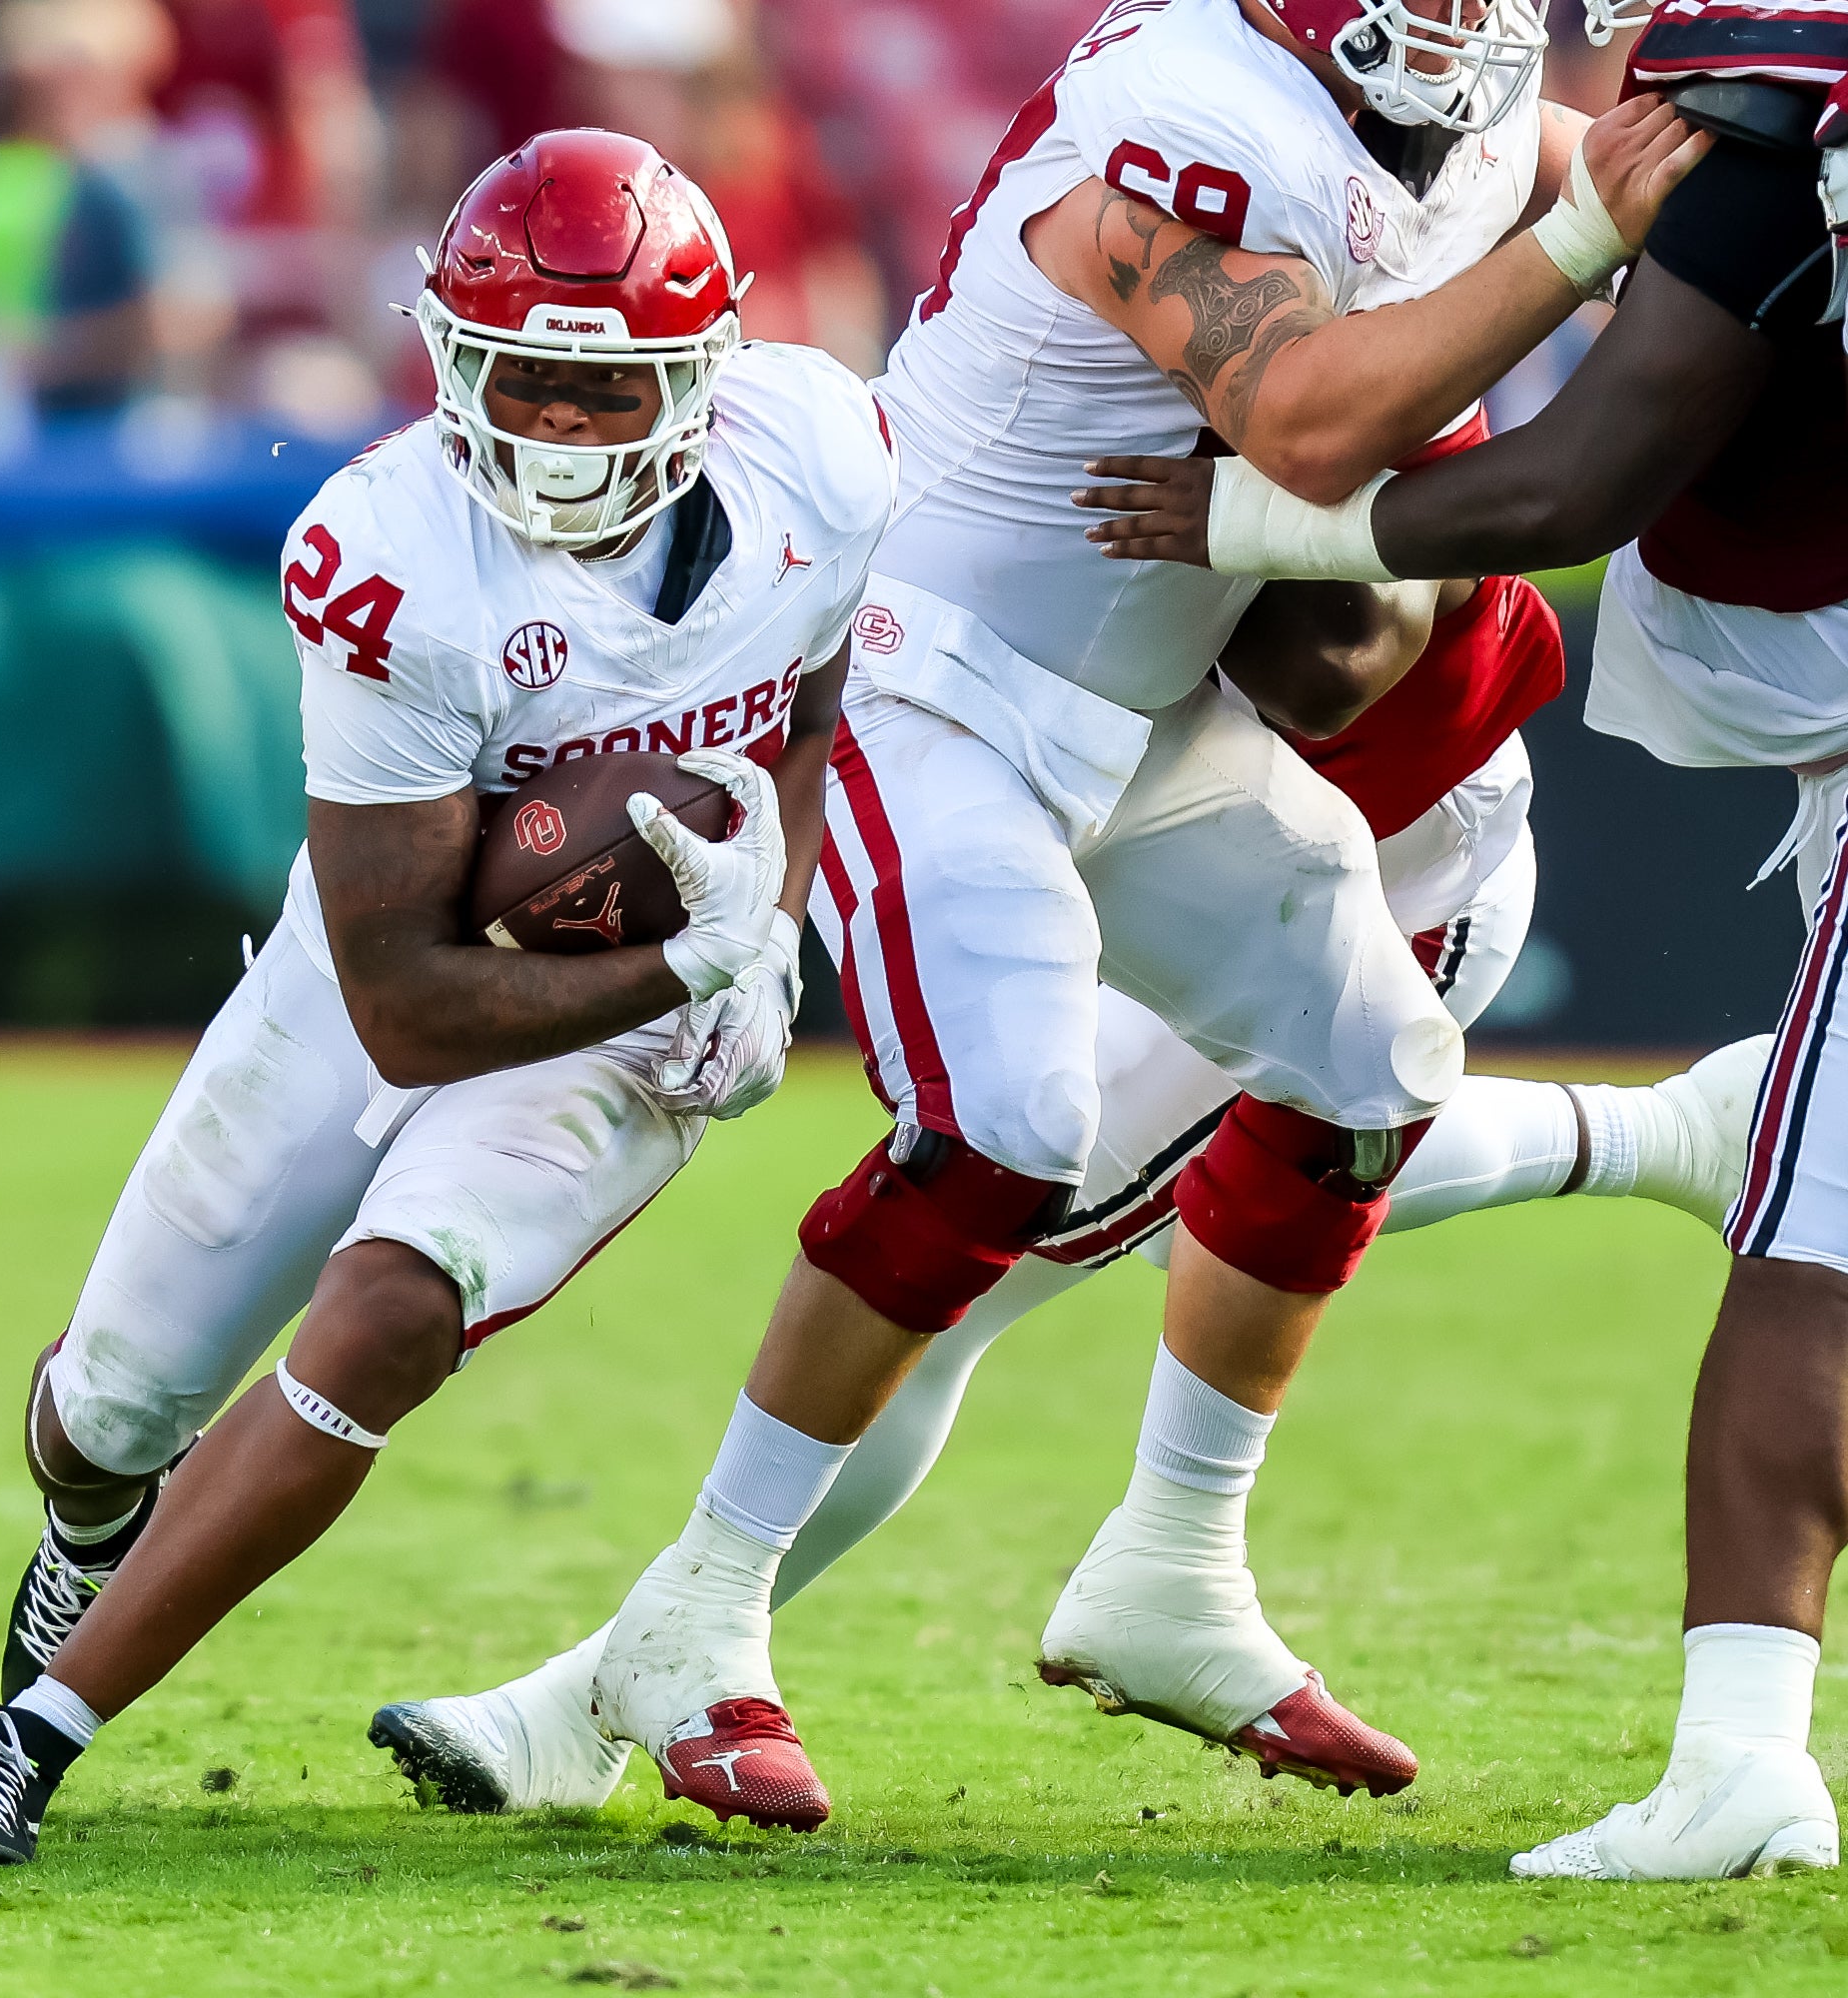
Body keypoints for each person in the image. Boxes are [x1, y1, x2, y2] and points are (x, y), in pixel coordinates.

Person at [514, 0, 1717, 1827]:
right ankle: (700, 1612)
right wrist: (1586, 239)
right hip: (930, 683)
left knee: (1371, 1062)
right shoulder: (1196, 110)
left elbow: (1629, 186)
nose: (1464, 23)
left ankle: (1178, 1570)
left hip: (1139, 718)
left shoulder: (1466, 120)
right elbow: (1309, 421)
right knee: (1005, 1126)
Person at [373, 554, 1767, 1813]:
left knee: (990, 1241)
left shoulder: (1332, 320)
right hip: (1170, 838)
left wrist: (1229, 491)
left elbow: (1333, 636)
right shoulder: (1071, 310)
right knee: (1083, 1237)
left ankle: (588, 1707)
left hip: (1382, 875)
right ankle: (1664, 1138)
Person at [0, 128, 891, 1865]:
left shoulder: (822, 461)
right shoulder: (392, 552)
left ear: (704, 383)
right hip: (385, 979)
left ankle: (23, 1741)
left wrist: (772, 909)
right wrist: (708, 949)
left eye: (608, 392)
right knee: (110, 1415)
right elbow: (407, 997)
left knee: (387, 1314)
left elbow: (802, 711)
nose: (561, 429)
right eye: (522, 380)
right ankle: (87, 1527)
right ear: (451, 356)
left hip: (628, 1025)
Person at [1070, 6, 1848, 1881]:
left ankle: (1743, 1761)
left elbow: (1574, 488)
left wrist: (1254, 512)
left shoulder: (1764, 132)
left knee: (1813, 1275)